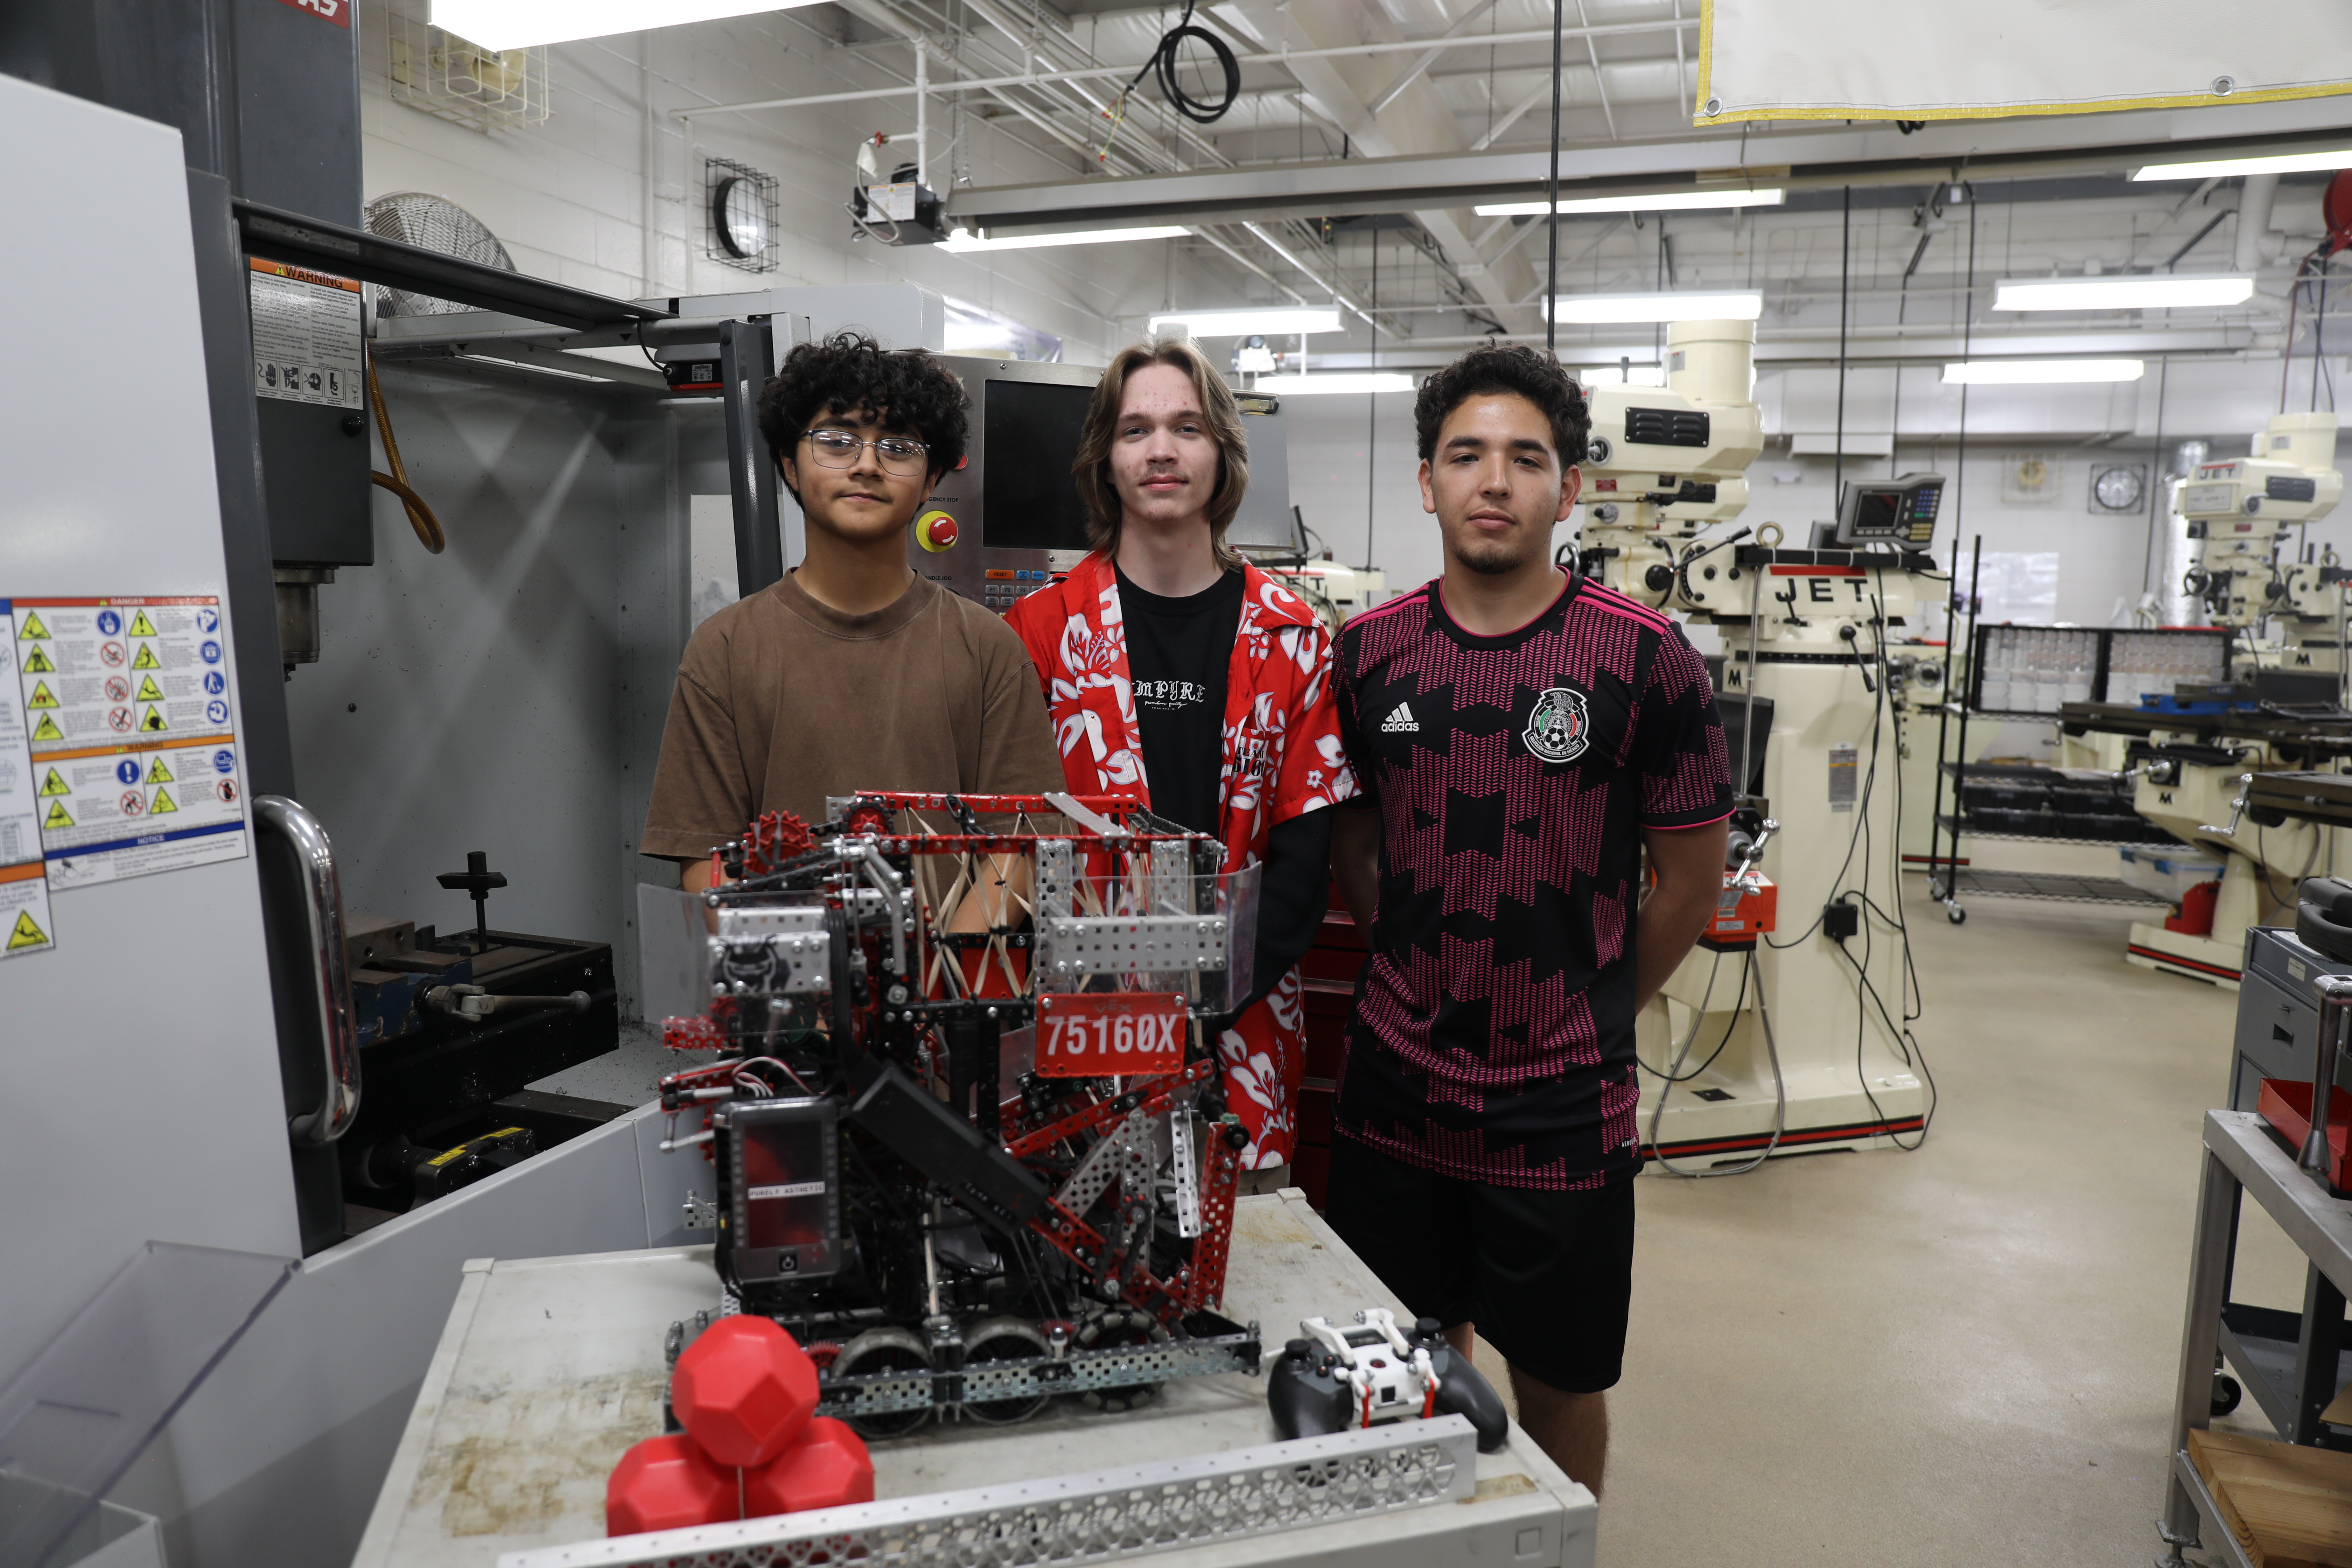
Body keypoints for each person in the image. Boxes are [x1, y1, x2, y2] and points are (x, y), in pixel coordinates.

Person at [1323, 344, 1732, 1496]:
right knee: (1407, 1357)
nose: (1493, 481)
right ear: (1427, 483)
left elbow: (1690, 888)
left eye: (1524, 458)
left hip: (1561, 1107)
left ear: (1570, 487)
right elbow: (1359, 839)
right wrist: (1415, 964)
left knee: (1558, 1377)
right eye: (1466, 455)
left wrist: (1589, 1005)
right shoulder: (1368, 656)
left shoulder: (1647, 662)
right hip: (1395, 1088)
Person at [1006, 337, 1354, 1188]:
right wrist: (1125, 1008)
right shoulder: (1037, 634)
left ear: (1223, 456)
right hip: (1081, 1036)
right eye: (1136, 429)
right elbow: (1013, 849)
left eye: (1187, 427)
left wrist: (1202, 1006)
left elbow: (1305, 867)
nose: (1162, 449)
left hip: (1245, 1045)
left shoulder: (1296, 638)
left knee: (1254, 1284)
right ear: (1107, 460)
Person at [640, 332, 1065, 912]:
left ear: (933, 480)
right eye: (837, 441)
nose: (867, 464)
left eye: (898, 447)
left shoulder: (989, 648)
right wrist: (800, 979)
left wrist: (935, 985)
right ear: (790, 466)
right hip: (780, 987)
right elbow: (707, 860)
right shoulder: (726, 649)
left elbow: (1018, 848)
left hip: (948, 988)